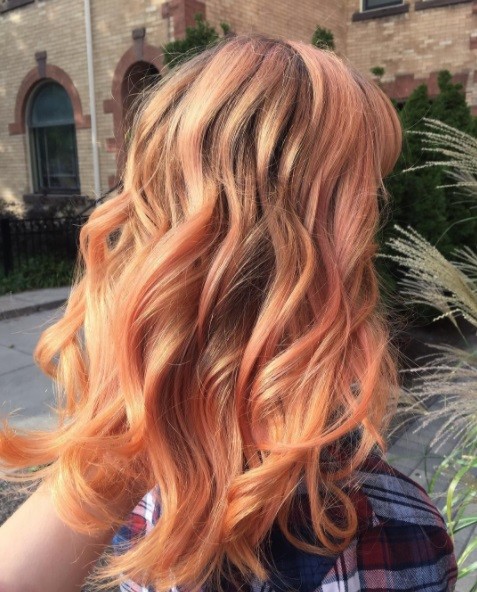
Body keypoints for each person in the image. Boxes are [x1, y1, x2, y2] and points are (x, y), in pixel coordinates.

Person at [0, 34, 457, 592]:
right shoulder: (394, 532)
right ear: (334, 253)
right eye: (366, 202)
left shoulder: (143, 500)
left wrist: (130, 424)